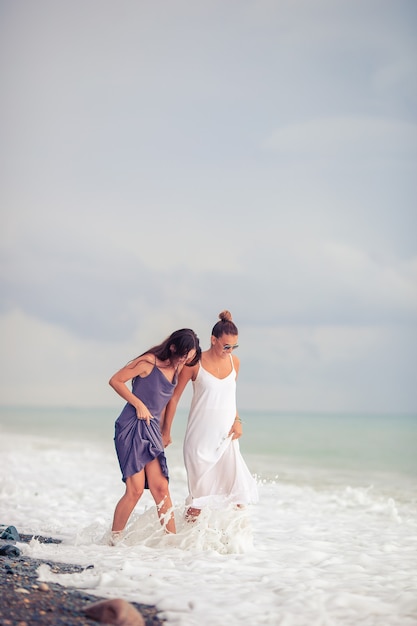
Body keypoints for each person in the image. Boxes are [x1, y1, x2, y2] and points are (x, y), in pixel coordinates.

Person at [162, 311, 258, 519]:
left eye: (234, 347)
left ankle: (233, 547)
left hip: (226, 439)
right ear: (213, 340)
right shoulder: (194, 363)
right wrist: (166, 431)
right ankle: (185, 547)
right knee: (198, 502)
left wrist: (237, 420)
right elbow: (174, 397)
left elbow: (229, 397)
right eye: (226, 346)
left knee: (238, 498)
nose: (229, 351)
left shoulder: (235, 363)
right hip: (200, 442)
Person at [109, 328, 201, 542]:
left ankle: (171, 542)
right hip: (131, 426)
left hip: (151, 430)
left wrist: (166, 431)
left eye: (189, 357)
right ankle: (113, 542)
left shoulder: (177, 368)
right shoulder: (148, 363)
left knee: (161, 487)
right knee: (136, 490)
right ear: (172, 347)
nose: (185, 360)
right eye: (183, 355)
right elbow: (115, 380)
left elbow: (169, 402)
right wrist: (138, 403)